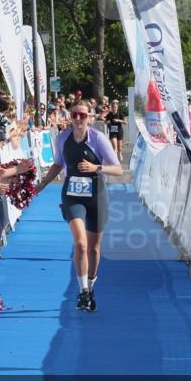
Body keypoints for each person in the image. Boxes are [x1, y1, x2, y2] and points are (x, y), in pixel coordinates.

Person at [35, 101, 123, 312]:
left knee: (93, 248)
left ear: (89, 118)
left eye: (82, 116)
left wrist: (96, 167)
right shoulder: (63, 137)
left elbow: (118, 170)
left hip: (96, 196)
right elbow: (58, 163)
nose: (77, 119)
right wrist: (44, 183)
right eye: (74, 114)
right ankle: (83, 291)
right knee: (81, 244)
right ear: (70, 116)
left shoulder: (98, 139)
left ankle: (91, 286)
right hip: (72, 196)